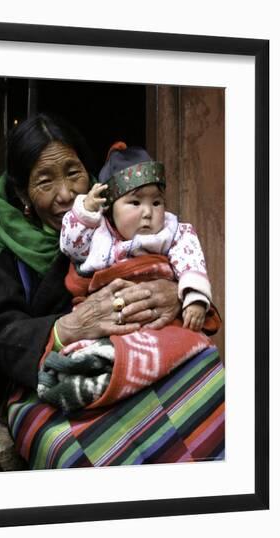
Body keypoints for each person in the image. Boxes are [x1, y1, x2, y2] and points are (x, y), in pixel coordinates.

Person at [0, 113, 224, 471]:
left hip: (135, 354)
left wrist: (176, 294)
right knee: (76, 453)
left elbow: (181, 262)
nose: (66, 194)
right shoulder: (6, 246)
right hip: (52, 378)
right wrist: (69, 327)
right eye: (44, 181)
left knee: (208, 396)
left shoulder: (125, 214)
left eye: (73, 173)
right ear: (21, 192)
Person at [36, 143, 216, 413]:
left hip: (159, 321)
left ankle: (144, 373)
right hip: (109, 322)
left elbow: (191, 260)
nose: (148, 212)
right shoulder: (99, 234)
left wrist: (194, 298)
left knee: (194, 348)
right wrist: (85, 212)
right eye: (135, 202)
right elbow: (71, 246)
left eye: (156, 202)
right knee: (91, 351)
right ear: (110, 209)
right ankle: (92, 372)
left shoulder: (172, 231)